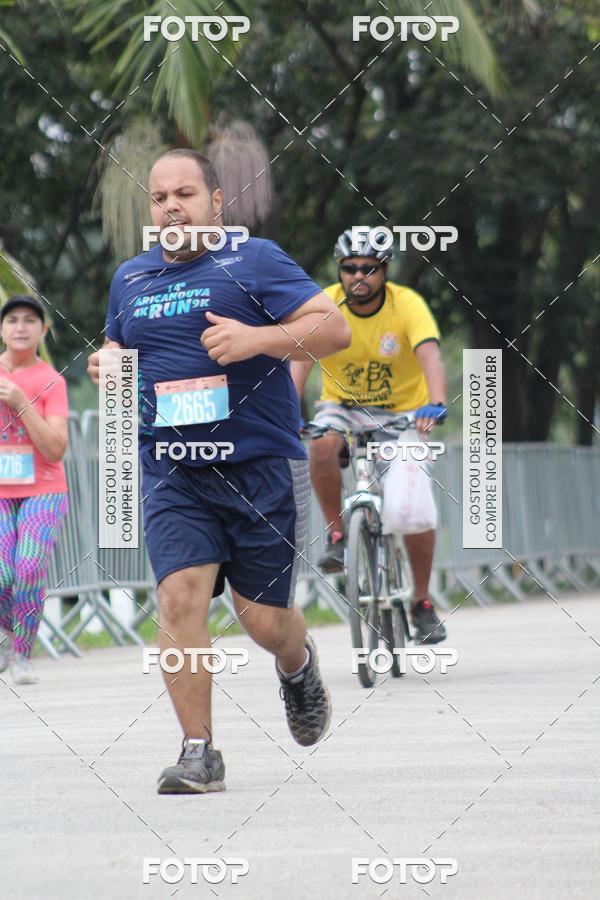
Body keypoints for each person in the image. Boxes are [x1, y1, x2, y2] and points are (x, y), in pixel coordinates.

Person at [87, 148, 351, 795]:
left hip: (255, 466)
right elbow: (119, 345)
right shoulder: (132, 278)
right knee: (178, 598)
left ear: (215, 202)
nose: (171, 206)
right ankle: (198, 750)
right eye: (159, 198)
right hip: (172, 470)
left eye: (185, 193)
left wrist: (257, 340)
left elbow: (334, 327)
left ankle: (297, 663)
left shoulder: (252, 260)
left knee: (263, 622)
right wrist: (108, 362)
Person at [291, 229, 448, 645]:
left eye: (368, 268)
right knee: (320, 442)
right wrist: (287, 411)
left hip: (403, 415)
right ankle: (339, 536)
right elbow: (301, 360)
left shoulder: (407, 304)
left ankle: (420, 603)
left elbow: (430, 354)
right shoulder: (323, 304)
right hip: (343, 408)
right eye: (349, 268)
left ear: (385, 271)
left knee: (413, 509)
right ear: (339, 270)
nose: (358, 275)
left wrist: (436, 403)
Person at [0, 295, 69, 684]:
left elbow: (56, 448)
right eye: (12, 320)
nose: (21, 327)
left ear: (43, 330)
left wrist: (21, 402)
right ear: (2, 330)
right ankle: (4, 637)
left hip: (43, 489)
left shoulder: (51, 381)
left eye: (30, 320)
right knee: (0, 573)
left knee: (27, 568)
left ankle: (23, 654)